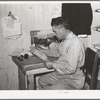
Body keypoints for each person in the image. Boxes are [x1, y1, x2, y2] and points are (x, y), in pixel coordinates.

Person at [35, 17, 85, 90]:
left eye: (55, 31)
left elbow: (70, 69)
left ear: (62, 30)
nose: (54, 34)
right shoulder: (66, 40)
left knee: (46, 91)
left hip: (73, 79)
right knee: (41, 81)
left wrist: (52, 65)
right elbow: (58, 52)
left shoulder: (74, 44)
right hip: (64, 75)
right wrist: (42, 51)